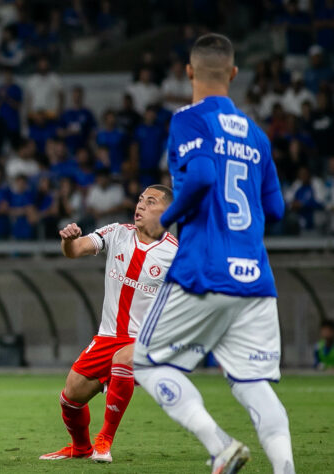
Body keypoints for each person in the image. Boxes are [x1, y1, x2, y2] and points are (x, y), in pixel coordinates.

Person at [132, 34, 294, 474]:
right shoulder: (257, 136)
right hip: (255, 277)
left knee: (143, 362)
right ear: (234, 74)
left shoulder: (188, 120)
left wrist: (164, 221)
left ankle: (219, 445)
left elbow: (202, 175)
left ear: (189, 73)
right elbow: (276, 209)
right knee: (252, 383)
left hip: (203, 269)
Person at [40, 184, 177, 463]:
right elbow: (75, 250)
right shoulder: (117, 232)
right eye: (140, 199)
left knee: (123, 359)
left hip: (147, 340)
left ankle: (104, 441)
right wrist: (69, 239)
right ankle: (80, 448)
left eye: (150, 202)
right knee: (70, 399)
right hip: (108, 336)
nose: (140, 205)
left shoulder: (177, 254)